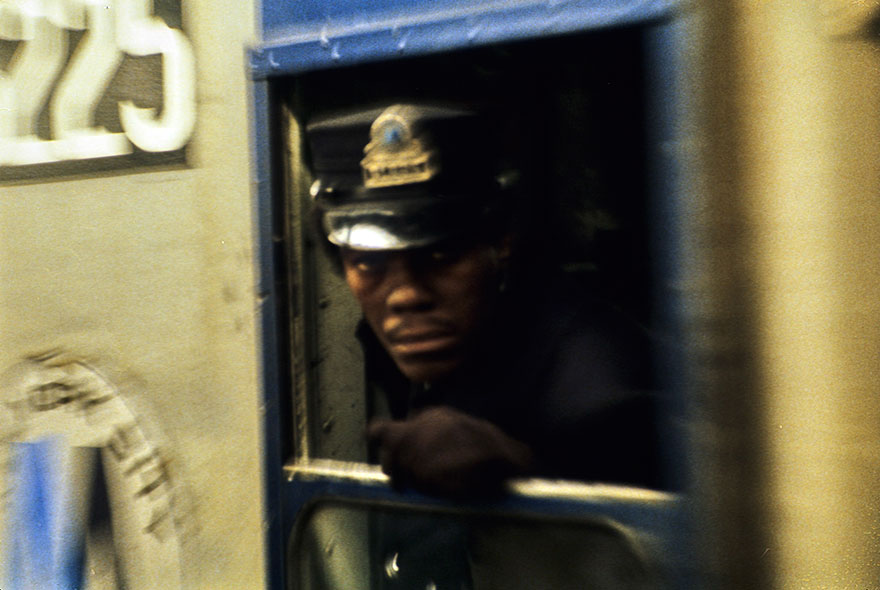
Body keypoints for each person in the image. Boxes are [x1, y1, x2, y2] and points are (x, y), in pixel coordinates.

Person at [307, 103, 664, 498]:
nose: (406, 295)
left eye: (442, 255)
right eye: (369, 262)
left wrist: (527, 473)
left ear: (501, 241)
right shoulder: (402, 338)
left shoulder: (596, 396)